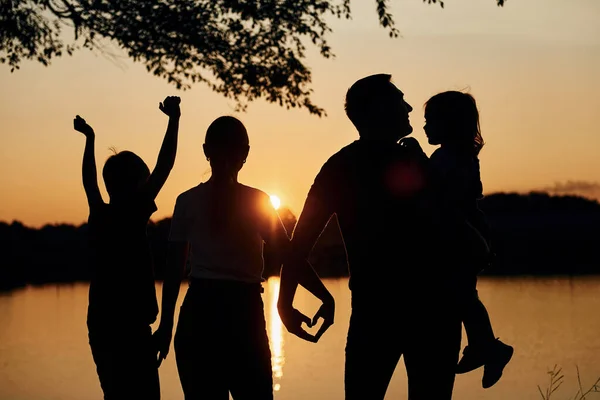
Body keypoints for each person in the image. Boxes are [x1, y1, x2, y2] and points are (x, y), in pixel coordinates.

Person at [277, 74, 464, 400]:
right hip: (420, 314)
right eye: (399, 101)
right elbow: (455, 228)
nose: (408, 107)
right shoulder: (414, 163)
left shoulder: (340, 166)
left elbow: (297, 246)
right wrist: (284, 301)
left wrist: (285, 301)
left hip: (388, 314)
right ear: (376, 110)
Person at [153, 116, 333, 399]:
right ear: (245, 153)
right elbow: (290, 255)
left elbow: (173, 270)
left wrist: (166, 326)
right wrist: (325, 295)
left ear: (205, 150)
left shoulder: (186, 201)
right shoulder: (257, 201)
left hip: (198, 316)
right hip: (242, 315)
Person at [74, 96, 181, 400]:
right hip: (131, 331)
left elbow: (89, 182)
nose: (151, 185)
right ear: (137, 185)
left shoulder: (100, 214)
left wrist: (90, 139)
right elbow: (166, 165)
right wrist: (174, 120)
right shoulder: (132, 213)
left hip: (100, 327)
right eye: (146, 181)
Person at [422, 90, 514, 388]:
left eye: (430, 121)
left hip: (460, 236)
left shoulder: (453, 157)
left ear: (448, 124)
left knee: (461, 294)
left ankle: (488, 346)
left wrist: (414, 158)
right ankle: (483, 345)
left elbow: (437, 192)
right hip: (463, 235)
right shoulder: (453, 155)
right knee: (464, 295)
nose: (424, 127)